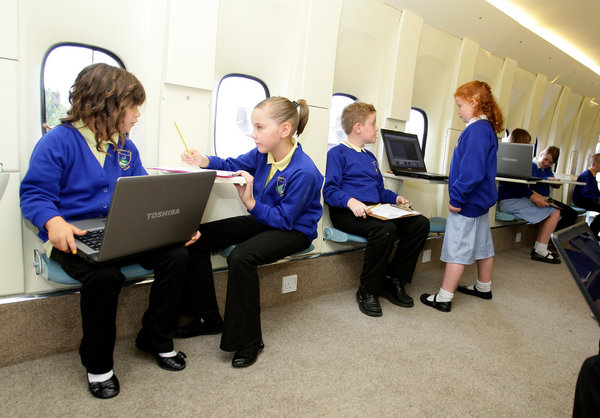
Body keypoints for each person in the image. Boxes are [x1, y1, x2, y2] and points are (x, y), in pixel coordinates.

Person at [20, 64, 195, 399]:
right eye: (133, 106)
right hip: (74, 236)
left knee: (177, 255)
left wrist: (174, 227)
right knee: (104, 276)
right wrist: (51, 221)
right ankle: (98, 364)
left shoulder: (126, 147)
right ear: (105, 105)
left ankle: (154, 337)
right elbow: (34, 195)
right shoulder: (57, 141)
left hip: (122, 230)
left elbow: (144, 194)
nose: (138, 115)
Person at [178, 97, 323, 368]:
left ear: (284, 130)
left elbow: (283, 219)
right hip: (266, 218)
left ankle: (249, 340)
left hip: (294, 229)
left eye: (259, 127)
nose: (252, 134)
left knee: (241, 257)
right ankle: (206, 317)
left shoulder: (305, 171)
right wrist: (204, 160)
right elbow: (234, 164)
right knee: (195, 238)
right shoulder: (263, 154)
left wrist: (251, 204)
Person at [322, 102, 429, 317]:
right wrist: (350, 201)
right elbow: (330, 190)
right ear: (358, 127)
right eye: (373, 123)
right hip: (347, 212)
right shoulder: (337, 154)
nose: (377, 128)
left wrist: (396, 198)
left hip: (375, 209)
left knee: (420, 223)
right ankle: (367, 290)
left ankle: (393, 279)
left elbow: (379, 191)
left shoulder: (370, 158)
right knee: (386, 229)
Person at [420, 80, 503, 312]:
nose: (458, 111)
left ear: (474, 103)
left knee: (457, 249)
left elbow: (471, 172)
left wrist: (456, 199)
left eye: (460, 105)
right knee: (483, 246)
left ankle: (444, 297)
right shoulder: (486, 129)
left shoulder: (475, 131)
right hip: (480, 203)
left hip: (466, 202)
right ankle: (483, 287)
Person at [497, 129, 562, 264]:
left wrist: (541, 198)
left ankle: (540, 248)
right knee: (555, 212)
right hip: (510, 201)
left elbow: (524, 188)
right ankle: (540, 250)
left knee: (553, 210)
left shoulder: (509, 157)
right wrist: (537, 199)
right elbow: (520, 187)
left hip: (515, 199)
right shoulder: (517, 161)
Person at [531, 145, 578, 231]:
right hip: (537, 197)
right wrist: (547, 179)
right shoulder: (532, 166)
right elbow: (533, 179)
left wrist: (556, 184)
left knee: (573, 213)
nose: (546, 163)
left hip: (547, 198)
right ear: (541, 155)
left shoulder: (548, 169)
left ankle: (554, 237)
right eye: (546, 159)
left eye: (550, 163)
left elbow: (551, 181)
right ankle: (552, 238)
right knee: (570, 214)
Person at [573, 154, 600, 237]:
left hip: (587, 199)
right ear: (597, 163)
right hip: (582, 200)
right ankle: (592, 233)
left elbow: (595, 192)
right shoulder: (587, 175)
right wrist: (597, 198)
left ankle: (593, 232)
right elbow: (585, 193)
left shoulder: (592, 175)